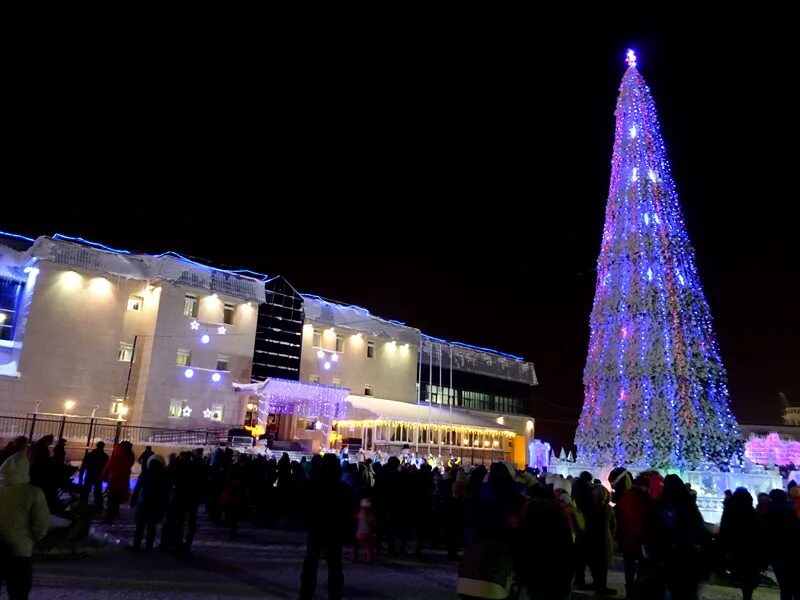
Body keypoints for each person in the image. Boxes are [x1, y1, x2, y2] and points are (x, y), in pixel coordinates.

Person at [642, 474, 709, 600]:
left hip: (664, 555)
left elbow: (649, 529)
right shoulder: (688, 507)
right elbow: (698, 530)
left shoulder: (657, 506)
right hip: (683, 556)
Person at [299, 453, 352, 600]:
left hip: (318, 528)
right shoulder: (342, 487)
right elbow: (348, 508)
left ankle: (306, 594)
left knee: (311, 563)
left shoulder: (315, 485)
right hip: (334, 529)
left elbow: (306, 505)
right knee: (334, 565)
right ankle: (334, 595)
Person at [0, 450, 51, 599]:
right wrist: (31, 539)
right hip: (20, 552)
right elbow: (41, 522)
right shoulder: (33, 493)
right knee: (18, 593)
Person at [719, 488, 766, 600]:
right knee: (749, 578)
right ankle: (747, 596)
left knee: (740, 574)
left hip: (735, 551)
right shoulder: (753, 514)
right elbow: (761, 534)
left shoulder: (730, 514)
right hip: (751, 552)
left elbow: (724, 532)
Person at [615, 473, 649, 599]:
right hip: (641, 540)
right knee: (642, 567)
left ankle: (630, 589)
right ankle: (636, 589)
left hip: (627, 539)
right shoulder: (645, 499)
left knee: (629, 567)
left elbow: (619, 516)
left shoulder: (625, 497)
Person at [764, 489, 800, 600]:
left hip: (777, 554)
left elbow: (767, 535)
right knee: (797, 584)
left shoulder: (769, 513)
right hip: (795, 552)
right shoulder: (792, 510)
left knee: (784, 586)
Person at [130, 454, 170, 552]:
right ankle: (149, 547)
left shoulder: (145, 473)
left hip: (144, 503)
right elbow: (166, 493)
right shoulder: (164, 475)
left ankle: (136, 546)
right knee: (151, 527)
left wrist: (133, 501)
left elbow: (137, 488)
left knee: (140, 527)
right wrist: (164, 506)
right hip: (156, 505)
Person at [585, 485, 617, 596]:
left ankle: (597, 584)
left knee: (594, 564)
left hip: (591, 539)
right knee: (602, 566)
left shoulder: (588, 508)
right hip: (604, 540)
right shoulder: (608, 509)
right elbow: (613, 525)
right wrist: (611, 536)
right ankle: (601, 587)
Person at [100, 441, 135, 524]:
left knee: (112, 499)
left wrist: (102, 477)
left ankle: (108, 519)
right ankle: (115, 513)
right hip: (124, 481)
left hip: (114, 481)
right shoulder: (130, 457)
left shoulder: (116, 456)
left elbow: (107, 467)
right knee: (117, 499)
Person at [79, 441, 109, 512]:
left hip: (89, 475)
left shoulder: (90, 455)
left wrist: (81, 478)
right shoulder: (105, 456)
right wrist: (105, 477)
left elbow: (83, 467)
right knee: (98, 492)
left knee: (85, 492)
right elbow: (106, 468)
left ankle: (82, 506)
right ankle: (99, 508)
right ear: (103, 447)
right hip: (98, 477)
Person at [352, 498, 376, 563]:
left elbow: (355, 518)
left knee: (357, 547)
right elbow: (373, 523)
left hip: (360, 533)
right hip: (366, 533)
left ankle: (354, 559)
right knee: (368, 547)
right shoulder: (369, 514)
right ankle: (369, 560)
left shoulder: (360, 513)